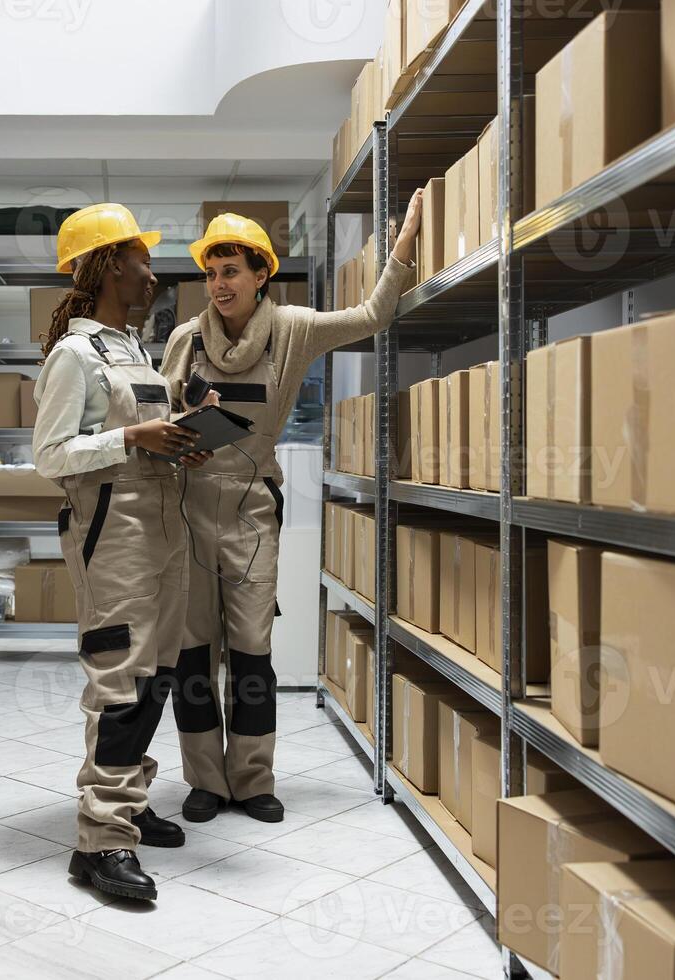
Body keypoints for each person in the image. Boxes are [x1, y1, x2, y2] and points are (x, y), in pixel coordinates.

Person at [158, 192, 424, 823]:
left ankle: (251, 780)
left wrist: (404, 242)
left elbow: (372, 315)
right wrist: (180, 434)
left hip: (251, 510)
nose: (219, 285)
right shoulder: (183, 341)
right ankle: (205, 779)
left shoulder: (295, 328)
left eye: (231, 271)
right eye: (211, 272)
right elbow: (158, 419)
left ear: (260, 275)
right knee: (194, 650)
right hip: (189, 506)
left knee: (251, 646)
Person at [32, 203, 216, 901]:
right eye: (142, 259)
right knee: (121, 683)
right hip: (114, 536)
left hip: (163, 529)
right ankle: (99, 843)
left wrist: (187, 430)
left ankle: (129, 803)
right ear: (111, 263)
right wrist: (133, 440)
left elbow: (148, 433)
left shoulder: (132, 351)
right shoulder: (73, 355)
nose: (153, 273)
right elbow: (49, 455)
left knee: (157, 674)